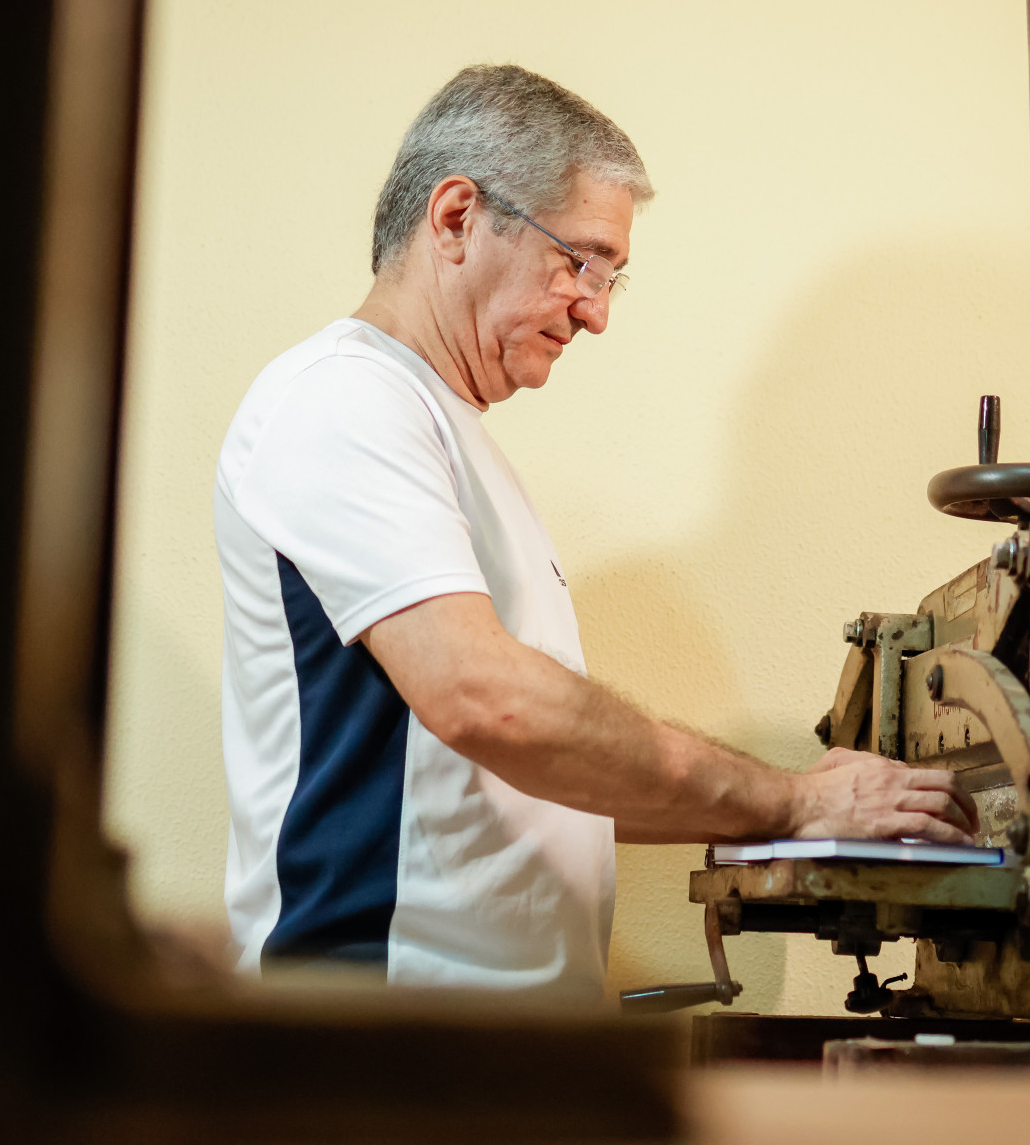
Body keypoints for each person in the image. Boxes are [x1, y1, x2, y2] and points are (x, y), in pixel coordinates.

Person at [216, 65, 976, 1000]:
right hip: (381, 1048)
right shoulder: (343, 399)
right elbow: (487, 700)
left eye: (615, 277)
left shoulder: (449, 436)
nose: (598, 310)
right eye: (580, 260)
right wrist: (793, 800)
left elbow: (524, 764)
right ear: (456, 218)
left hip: (481, 1054)